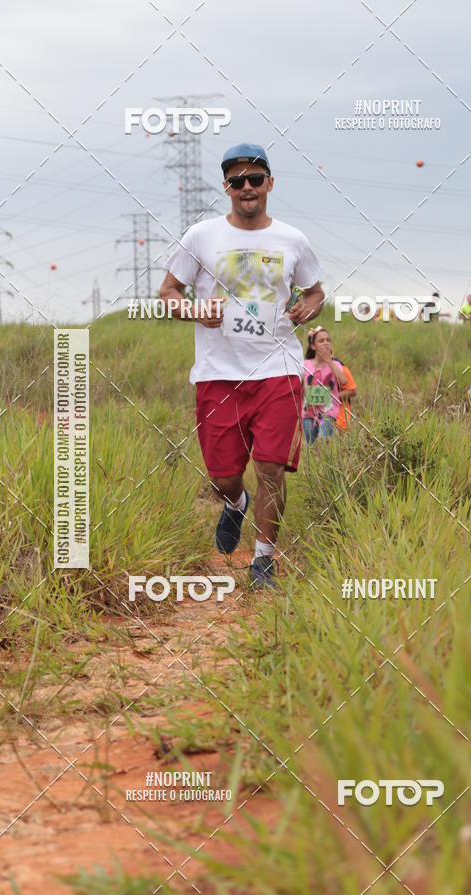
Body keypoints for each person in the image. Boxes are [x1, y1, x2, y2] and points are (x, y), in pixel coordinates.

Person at [159, 142, 324, 588]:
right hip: (218, 374)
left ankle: (264, 560)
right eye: (237, 181)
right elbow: (169, 293)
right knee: (223, 476)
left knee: (271, 467)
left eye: (254, 179)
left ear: (270, 183)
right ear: (226, 187)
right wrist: (196, 311)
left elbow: (315, 292)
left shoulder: (293, 240)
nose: (246, 187)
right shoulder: (201, 236)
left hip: (278, 370)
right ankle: (235, 503)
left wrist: (308, 308)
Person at [302, 326, 348, 443]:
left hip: (329, 412)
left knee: (323, 441)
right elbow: (299, 386)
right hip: (308, 413)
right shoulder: (305, 364)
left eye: (328, 340)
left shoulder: (335, 364)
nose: (326, 343)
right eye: (321, 341)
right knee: (310, 445)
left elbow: (343, 381)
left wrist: (328, 361)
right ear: (313, 346)